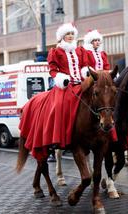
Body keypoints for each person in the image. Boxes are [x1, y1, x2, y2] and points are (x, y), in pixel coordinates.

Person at [19, 23, 89, 160]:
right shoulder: (55, 52)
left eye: (72, 34)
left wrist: (85, 73)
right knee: (59, 105)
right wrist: (61, 78)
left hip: (80, 83)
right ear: (62, 36)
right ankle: (58, 137)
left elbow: (83, 66)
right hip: (64, 85)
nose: (70, 36)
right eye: (67, 34)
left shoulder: (80, 51)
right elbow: (53, 69)